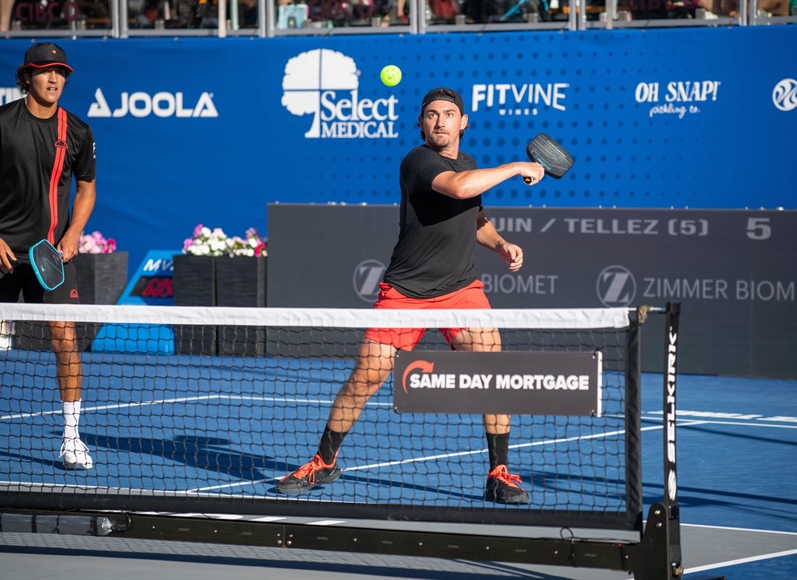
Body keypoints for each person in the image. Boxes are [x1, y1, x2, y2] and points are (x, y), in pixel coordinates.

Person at [276, 87, 546, 505]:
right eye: (432, 115)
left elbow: (475, 219)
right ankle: (324, 461)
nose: (440, 121)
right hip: (406, 293)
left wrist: (500, 244)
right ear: (421, 123)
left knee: (493, 377)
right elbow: (457, 189)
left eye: (449, 114)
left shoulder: (470, 164)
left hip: (461, 291)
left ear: (464, 122)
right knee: (365, 379)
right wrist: (515, 167)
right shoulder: (418, 161)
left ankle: (499, 474)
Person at [0, 42, 97, 470]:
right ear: (27, 77)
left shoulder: (76, 131)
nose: (54, 79)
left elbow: (87, 188)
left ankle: (72, 438)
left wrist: (73, 232)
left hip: (50, 258)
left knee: (66, 342)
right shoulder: (3, 124)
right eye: (45, 72)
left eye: (60, 72)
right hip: (2, 251)